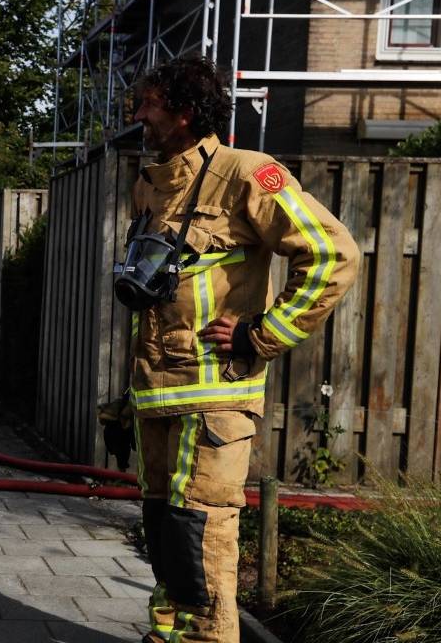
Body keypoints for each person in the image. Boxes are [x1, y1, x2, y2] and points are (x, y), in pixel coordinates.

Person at [115, 57, 360, 643]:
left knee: (200, 530)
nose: (138, 114)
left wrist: (263, 333)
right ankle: (166, 636)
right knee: (165, 530)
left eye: (149, 103)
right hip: (156, 396)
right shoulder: (150, 184)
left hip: (215, 398)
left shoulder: (249, 174)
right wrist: (124, 400)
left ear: (184, 112)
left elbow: (334, 255)